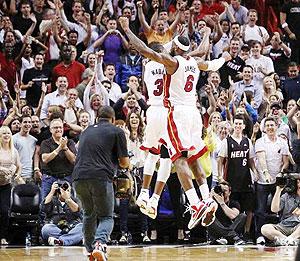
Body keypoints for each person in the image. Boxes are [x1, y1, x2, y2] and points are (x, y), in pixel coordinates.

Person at [120, 16, 228, 230]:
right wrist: (208, 36)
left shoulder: (172, 62)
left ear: (175, 49)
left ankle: (194, 204)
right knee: (193, 157)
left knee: (176, 159)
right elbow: (208, 56)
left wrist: (127, 30)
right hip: (194, 113)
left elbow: (145, 50)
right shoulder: (194, 63)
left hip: (175, 113)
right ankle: (206, 199)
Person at [73, 106, 129, 261]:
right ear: (112, 119)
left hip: (78, 177)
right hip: (100, 177)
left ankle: (90, 250)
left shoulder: (86, 131)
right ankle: (100, 243)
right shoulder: (117, 131)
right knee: (106, 217)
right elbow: (124, 163)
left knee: (89, 213)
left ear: (97, 118)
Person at [218, 114, 258, 243]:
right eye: (236, 123)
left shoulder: (247, 142)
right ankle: (234, 233)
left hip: (245, 180)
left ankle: (246, 233)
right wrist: (219, 176)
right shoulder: (227, 142)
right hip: (231, 181)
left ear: (244, 126)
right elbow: (220, 160)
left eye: (240, 124)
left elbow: (251, 160)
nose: (238, 126)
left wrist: (255, 172)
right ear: (233, 125)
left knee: (249, 209)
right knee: (235, 209)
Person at [255, 117, 289, 245]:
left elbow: (285, 162)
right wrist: (265, 173)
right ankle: (259, 235)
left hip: (278, 182)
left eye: (272, 125)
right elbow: (261, 159)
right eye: (267, 125)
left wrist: (281, 172)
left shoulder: (282, 142)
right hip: (263, 181)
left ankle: (279, 235)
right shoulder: (260, 141)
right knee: (260, 209)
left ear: (276, 127)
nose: (270, 127)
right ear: (264, 128)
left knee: (279, 208)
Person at [0, 126, 24, 245]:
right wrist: (2, 169)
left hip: (6, 185)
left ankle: (3, 236)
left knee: (4, 211)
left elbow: (19, 166)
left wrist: (17, 175)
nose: (6, 135)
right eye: (3, 133)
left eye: (8, 133)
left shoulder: (13, 151)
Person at [41, 181, 83, 246]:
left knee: (82, 227)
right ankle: (73, 239)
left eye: (68, 190)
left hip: (72, 228)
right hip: (56, 228)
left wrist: (68, 199)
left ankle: (60, 241)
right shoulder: (52, 199)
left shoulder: (75, 200)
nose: (65, 192)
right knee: (46, 228)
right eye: (63, 190)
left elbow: (78, 212)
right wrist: (52, 191)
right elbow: (44, 208)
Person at [261, 177, 300, 246]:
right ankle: (288, 240)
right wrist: (278, 190)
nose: (299, 185)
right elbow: (274, 209)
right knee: (265, 228)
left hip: (298, 227)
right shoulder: (286, 196)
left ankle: (289, 239)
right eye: (297, 182)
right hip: (284, 226)